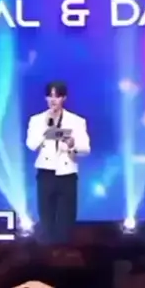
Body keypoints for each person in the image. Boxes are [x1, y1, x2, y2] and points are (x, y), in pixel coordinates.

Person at [26, 81, 90, 243]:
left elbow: (86, 149)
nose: (53, 100)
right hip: (45, 175)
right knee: (46, 220)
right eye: (50, 96)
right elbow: (31, 145)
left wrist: (72, 144)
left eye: (57, 96)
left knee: (66, 222)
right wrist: (46, 129)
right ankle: (47, 253)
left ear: (64, 98)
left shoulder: (76, 121)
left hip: (67, 176)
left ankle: (63, 253)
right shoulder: (37, 120)